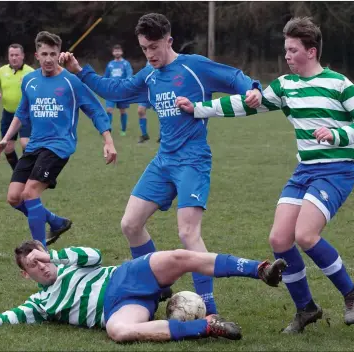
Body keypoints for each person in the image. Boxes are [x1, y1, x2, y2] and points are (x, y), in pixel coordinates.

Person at [176, 17, 354, 334]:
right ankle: (306, 309)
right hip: (305, 170)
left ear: (310, 52)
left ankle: (352, 294)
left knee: (306, 235)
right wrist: (199, 108)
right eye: (285, 49)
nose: (286, 55)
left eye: (292, 49)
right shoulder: (285, 85)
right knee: (279, 239)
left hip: (337, 168)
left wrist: (338, 135)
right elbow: (246, 105)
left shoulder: (338, 83)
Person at [59, 13, 263, 315]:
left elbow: (232, 77)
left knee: (188, 234)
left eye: (154, 47)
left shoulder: (193, 67)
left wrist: (252, 87)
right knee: (130, 224)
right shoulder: (149, 76)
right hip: (163, 162)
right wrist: (79, 71)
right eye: (144, 48)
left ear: (169, 41)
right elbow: (115, 91)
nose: (150, 54)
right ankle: (157, 283)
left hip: (192, 161)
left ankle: (210, 307)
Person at [0, 239, 287, 342]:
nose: (42, 266)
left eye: (41, 258)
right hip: (119, 307)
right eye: (33, 266)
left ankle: (260, 269)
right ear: (25, 275)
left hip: (125, 277)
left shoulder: (70, 261)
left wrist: (55, 255)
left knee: (179, 257)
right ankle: (208, 326)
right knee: (118, 331)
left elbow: (94, 254)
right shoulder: (41, 302)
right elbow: (12, 316)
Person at [0, 31, 117, 247]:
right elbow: (22, 113)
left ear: (59, 53)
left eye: (53, 53)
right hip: (35, 145)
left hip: (59, 146)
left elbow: (95, 110)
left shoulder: (71, 82)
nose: (49, 58)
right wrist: (6, 138)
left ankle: (39, 252)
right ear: (37, 55)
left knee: (30, 192)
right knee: (14, 197)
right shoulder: (29, 80)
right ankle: (55, 221)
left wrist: (108, 140)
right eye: (44, 54)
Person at [0, 44, 34, 170]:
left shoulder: (30, 73)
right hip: (8, 114)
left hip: (26, 114)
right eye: (11, 55)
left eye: (17, 55)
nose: (14, 58)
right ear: (8, 57)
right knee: (7, 148)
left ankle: (28, 171)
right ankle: (18, 172)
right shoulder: (2, 71)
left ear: (23, 56)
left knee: (26, 143)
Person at [104, 44, 133, 136]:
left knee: (123, 110)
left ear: (122, 52)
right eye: (115, 51)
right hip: (111, 90)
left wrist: (126, 84)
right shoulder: (110, 64)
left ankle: (123, 130)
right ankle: (107, 130)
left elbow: (129, 75)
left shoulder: (125, 64)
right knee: (109, 110)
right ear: (113, 53)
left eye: (118, 51)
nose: (117, 52)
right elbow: (106, 76)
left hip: (122, 90)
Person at [137, 61, 154, 143]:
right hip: (146, 92)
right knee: (140, 110)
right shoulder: (148, 62)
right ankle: (144, 135)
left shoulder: (163, 59)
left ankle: (162, 136)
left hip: (157, 91)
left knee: (162, 113)